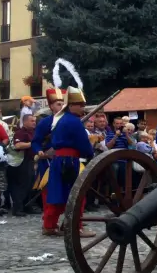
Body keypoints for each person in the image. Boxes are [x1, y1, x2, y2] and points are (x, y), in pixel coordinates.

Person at [43, 87, 95, 236]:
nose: (82, 108)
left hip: (60, 160)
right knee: (76, 195)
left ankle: (49, 225)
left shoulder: (61, 119)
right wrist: (90, 154)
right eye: (79, 105)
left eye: (82, 105)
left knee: (57, 193)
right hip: (69, 161)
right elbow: (84, 144)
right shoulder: (74, 121)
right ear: (71, 105)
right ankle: (75, 228)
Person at [32, 88, 65, 217]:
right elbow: (35, 141)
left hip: (67, 159)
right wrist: (39, 151)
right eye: (58, 104)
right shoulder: (45, 122)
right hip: (48, 160)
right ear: (51, 106)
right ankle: (49, 219)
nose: (62, 106)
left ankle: (70, 218)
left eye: (63, 103)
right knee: (49, 191)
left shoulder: (70, 120)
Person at [8, 114, 37, 216]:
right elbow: (18, 145)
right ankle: (18, 208)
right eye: (32, 121)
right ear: (25, 122)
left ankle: (27, 206)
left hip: (31, 160)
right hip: (22, 161)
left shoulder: (34, 132)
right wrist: (33, 143)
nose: (34, 122)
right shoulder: (20, 132)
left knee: (30, 185)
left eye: (35, 120)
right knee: (22, 186)